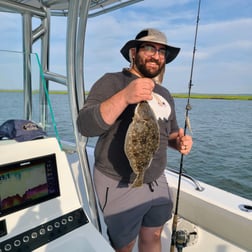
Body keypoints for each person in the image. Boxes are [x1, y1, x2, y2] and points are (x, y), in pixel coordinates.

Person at [77, 28, 193, 252]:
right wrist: (125, 96)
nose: (156, 55)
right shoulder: (111, 82)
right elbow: (85, 125)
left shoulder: (165, 94)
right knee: (125, 244)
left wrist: (178, 142)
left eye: (162, 52)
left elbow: (169, 133)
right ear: (133, 52)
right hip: (119, 181)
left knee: (154, 234)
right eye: (149, 48)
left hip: (157, 178)